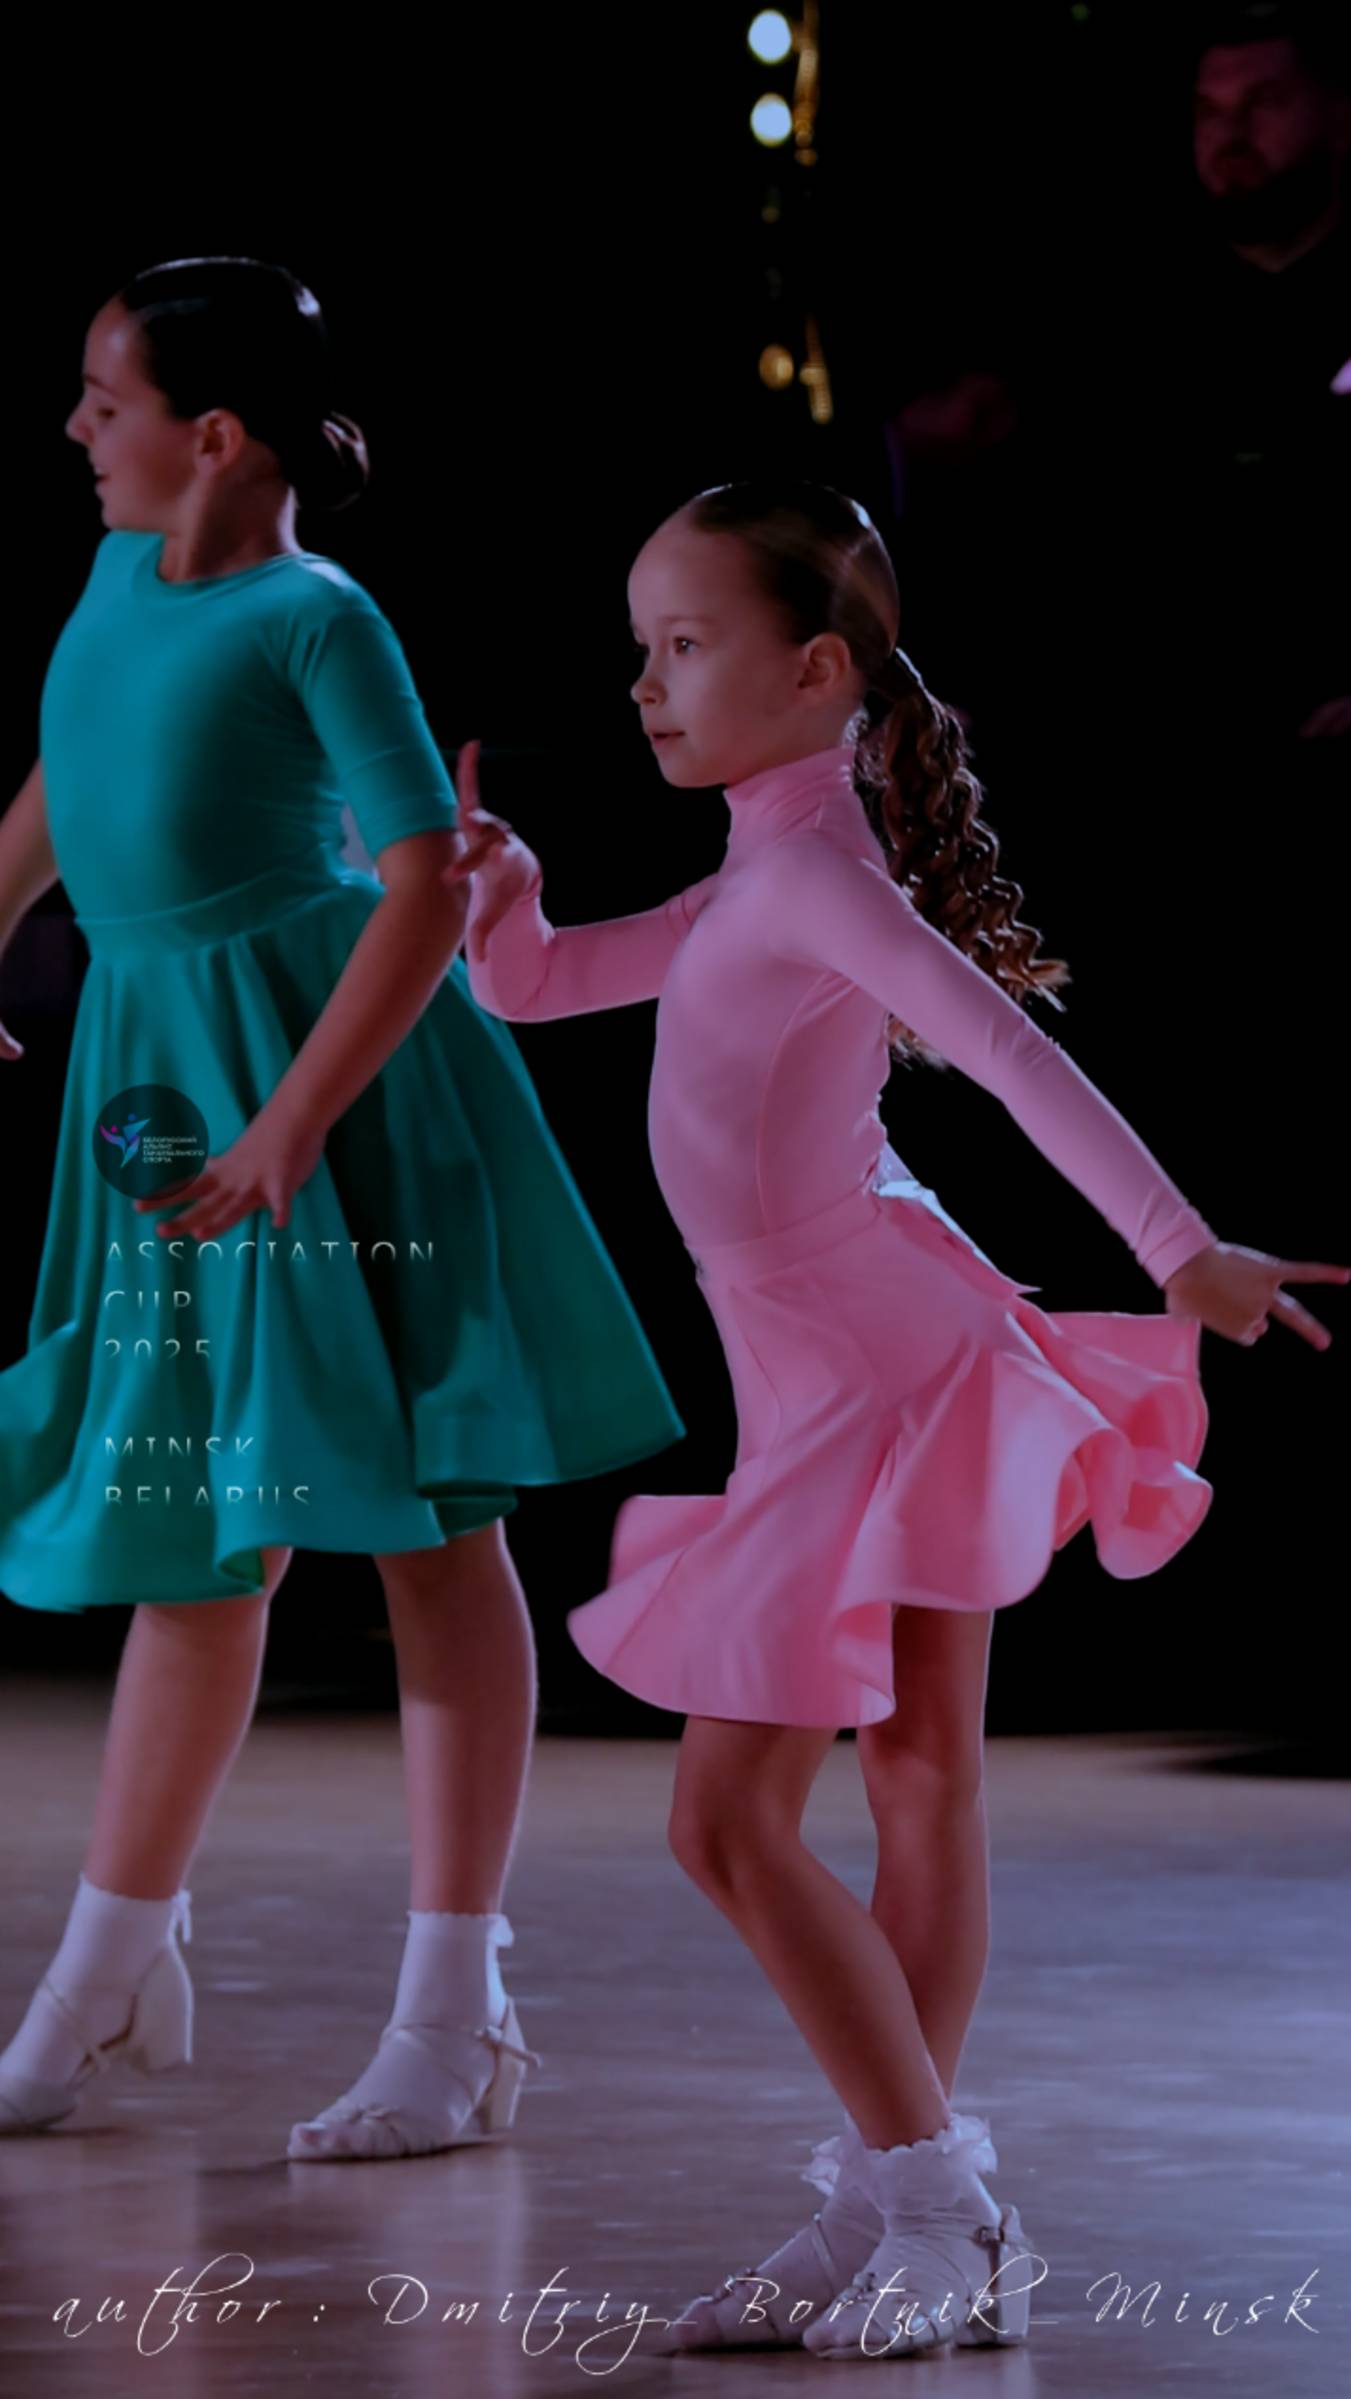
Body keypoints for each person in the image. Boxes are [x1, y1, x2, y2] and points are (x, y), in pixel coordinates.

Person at [445, 479, 1347, 2359]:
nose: (645, 685)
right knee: (910, 1776)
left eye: (684, 646)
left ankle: (934, 2206)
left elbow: (1010, 1054)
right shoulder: (752, 876)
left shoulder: (817, 882)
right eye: (640, 650)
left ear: (815, 670)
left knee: (733, 1820)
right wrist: (506, 896)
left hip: (882, 1366)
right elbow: (539, 990)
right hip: (847, 1361)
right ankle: (896, 2203)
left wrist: (1182, 1254)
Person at [0, 256, 686, 2164]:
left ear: (214, 436)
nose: (78, 429)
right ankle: (103, 1969)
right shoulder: (123, 570)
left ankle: (455, 2015)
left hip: (335, 1085)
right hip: (161, 1072)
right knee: (193, 1528)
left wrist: (298, 1122)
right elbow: (72, 768)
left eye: (107, 401)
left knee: (422, 1532)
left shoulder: (321, 616)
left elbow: (421, 882)